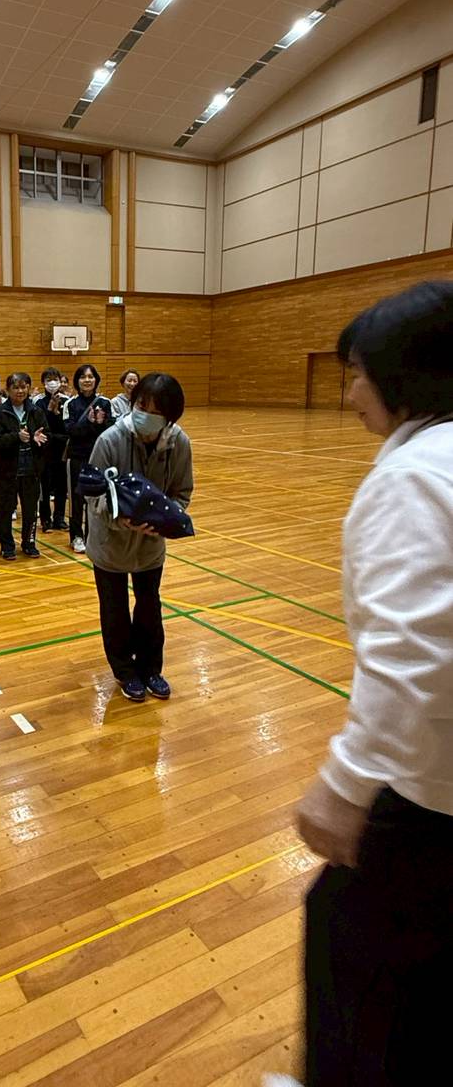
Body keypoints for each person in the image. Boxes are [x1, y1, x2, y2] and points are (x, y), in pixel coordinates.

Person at [286, 281, 453, 1087]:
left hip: (432, 793)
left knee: (349, 940)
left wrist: (345, 784)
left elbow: (413, 648)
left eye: (358, 374)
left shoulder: (415, 477)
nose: (349, 393)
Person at [85, 372, 193, 702]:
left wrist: (163, 521)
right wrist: (123, 521)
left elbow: (182, 493)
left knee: (149, 607)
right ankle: (125, 671)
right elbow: (92, 494)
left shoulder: (179, 443)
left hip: (150, 546)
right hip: (110, 545)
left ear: (170, 416)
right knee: (114, 610)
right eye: (142, 406)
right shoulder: (109, 441)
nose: (146, 414)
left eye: (155, 410)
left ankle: (150, 669)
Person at [0, 372, 49, 561]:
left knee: (30, 511)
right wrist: (17, 437)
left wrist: (39, 439)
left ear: (29, 388)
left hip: (31, 469)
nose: (20, 391)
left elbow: (46, 434)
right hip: (7, 470)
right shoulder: (0, 412)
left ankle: (29, 543)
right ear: (8, 390)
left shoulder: (36, 411)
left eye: (24, 387)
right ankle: (7, 546)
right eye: (15, 387)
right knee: (5, 510)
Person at [63, 363, 112, 553]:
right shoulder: (70, 404)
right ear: (77, 381)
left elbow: (110, 430)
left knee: (97, 499)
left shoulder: (105, 403)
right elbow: (71, 431)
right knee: (76, 499)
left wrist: (100, 424)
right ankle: (76, 536)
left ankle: (92, 536)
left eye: (91, 376)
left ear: (96, 380)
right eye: (83, 377)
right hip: (76, 458)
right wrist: (90, 423)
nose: (87, 380)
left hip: (98, 458)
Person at [35, 367, 69, 533]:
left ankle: (59, 518)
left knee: (62, 486)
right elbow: (41, 427)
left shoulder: (67, 401)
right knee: (45, 487)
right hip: (45, 451)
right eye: (49, 380)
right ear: (43, 383)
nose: (52, 383)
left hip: (62, 451)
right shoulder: (38, 402)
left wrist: (56, 413)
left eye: (55, 379)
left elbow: (67, 427)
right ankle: (45, 519)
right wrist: (50, 411)